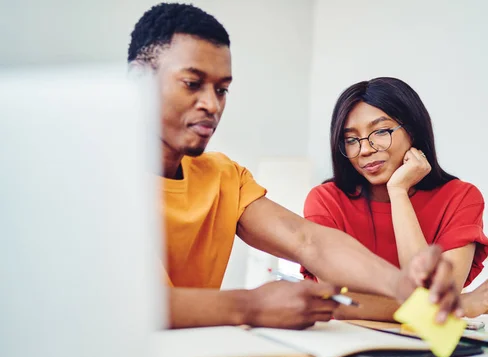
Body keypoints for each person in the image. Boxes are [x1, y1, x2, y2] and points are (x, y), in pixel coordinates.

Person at [127, 4, 462, 329]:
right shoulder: (88, 178)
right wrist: (252, 306)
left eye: (222, 89)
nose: (212, 105)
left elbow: (307, 241)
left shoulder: (222, 176)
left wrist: (401, 283)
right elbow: (128, 307)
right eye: (192, 83)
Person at [302, 77, 488, 321]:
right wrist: (463, 305)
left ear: (413, 130)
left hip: (427, 348)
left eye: (381, 131)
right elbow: (340, 302)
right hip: (345, 344)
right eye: (351, 139)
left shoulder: (460, 198)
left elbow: (432, 298)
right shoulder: (326, 201)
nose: (364, 149)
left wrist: (398, 191)